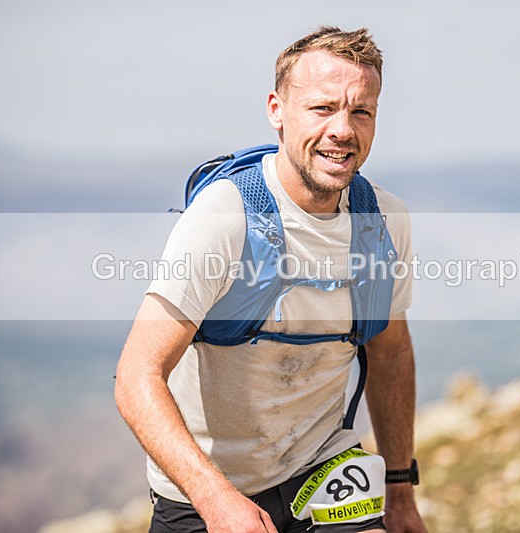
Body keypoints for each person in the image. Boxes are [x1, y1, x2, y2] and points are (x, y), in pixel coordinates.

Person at [115, 26, 427, 533]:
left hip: (322, 466)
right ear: (277, 110)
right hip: (204, 488)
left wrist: (400, 492)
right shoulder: (224, 217)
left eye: (361, 111)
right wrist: (217, 500)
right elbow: (136, 377)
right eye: (322, 108)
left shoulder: (383, 222)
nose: (343, 130)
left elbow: (389, 353)